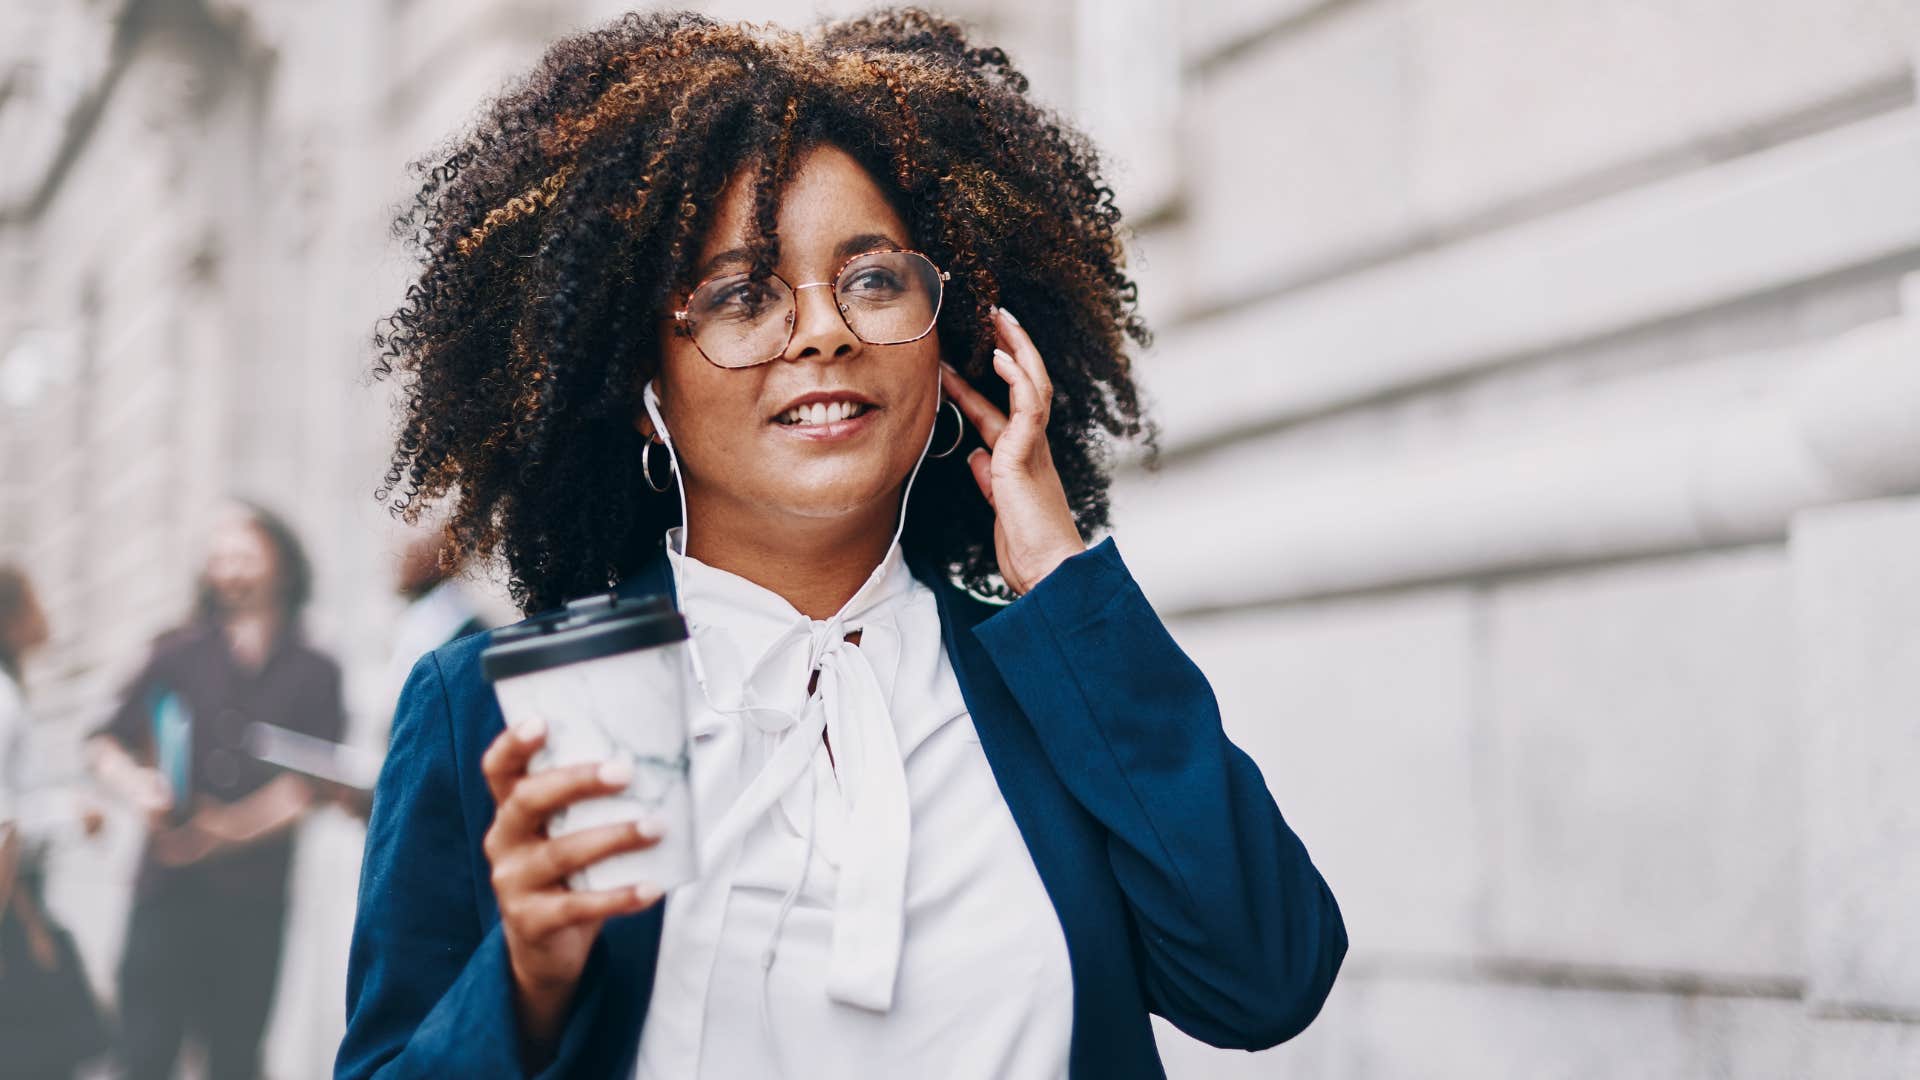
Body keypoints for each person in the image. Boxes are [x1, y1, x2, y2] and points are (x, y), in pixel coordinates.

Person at [338, 10, 1346, 1080]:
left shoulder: (1055, 688)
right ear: (642, 392)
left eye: (873, 280)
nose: (824, 331)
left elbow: (1267, 979)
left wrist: (1067, 583)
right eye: (742, 295)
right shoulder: (492, 715)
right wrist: (527, 987)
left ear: (954, 347)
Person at [86, 502, 345, 1080]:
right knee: (143, 1057)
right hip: (166, 893)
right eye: (220, 558)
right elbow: (103, 743)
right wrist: (140, 787)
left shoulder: (317, 669)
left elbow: (317, 784)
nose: (230, 570)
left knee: (235, 1060)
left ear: (282, 563)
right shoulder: (174, 652)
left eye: (245, 555)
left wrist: (225, 832)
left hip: (253, 900)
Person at [1, 565, 112, 1078]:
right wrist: (71, 813)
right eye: (35, 601)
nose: (47, 612)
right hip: (14, 899)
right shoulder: (2, 696)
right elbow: (5, 820)